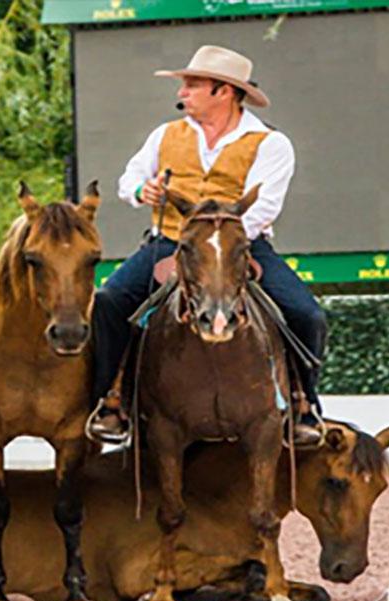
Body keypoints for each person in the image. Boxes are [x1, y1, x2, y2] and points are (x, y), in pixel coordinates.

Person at [87, 45, 327, 446]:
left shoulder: (270, 143)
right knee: (111, 301)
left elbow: (264, 206)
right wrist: (140, 191)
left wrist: (219, 242)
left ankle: (304, 406)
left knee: (307, 316)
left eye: (193, 85)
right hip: (169, 243)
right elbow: (128, 181)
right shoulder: (165, 135)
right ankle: (110, 403)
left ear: (224, 92)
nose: (183, 92)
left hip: (242, 246)